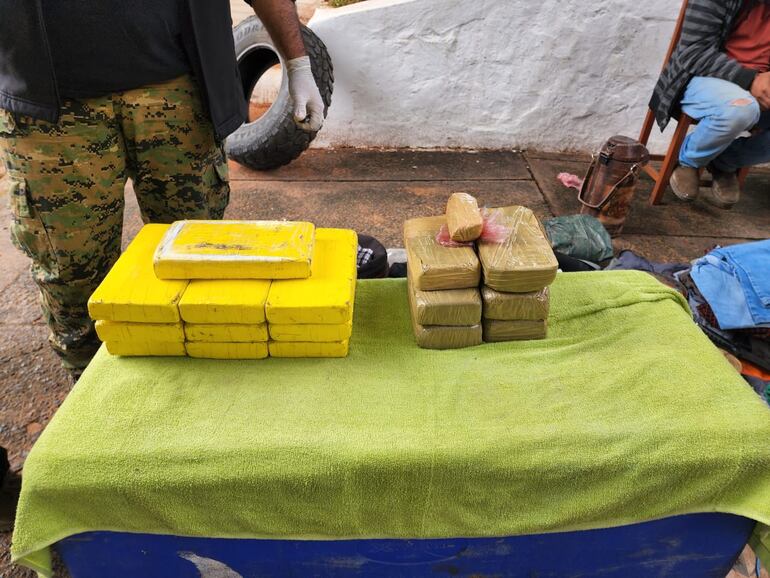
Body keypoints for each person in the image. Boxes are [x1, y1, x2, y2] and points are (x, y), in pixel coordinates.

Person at [0, 0, 325, 377]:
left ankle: (193, 386)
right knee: (72, 273)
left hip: (178, 92)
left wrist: (298, 64)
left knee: (196, 259)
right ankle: (91, 395)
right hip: (50, 109)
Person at [650, 0, 770, 209]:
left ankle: (725, 161)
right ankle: (690, 161)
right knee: (742, 108)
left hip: (760, 85)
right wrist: (751, 80)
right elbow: (692, 54)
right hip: (703, 77)